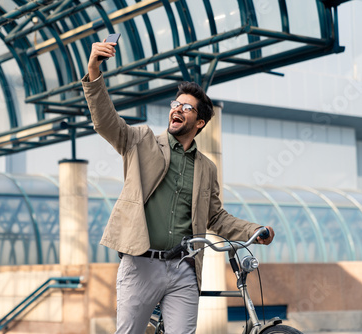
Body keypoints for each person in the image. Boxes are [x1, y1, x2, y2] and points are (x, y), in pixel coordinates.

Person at [82, 39, 275, 334]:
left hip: (185, 268)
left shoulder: (206, 168)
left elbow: (215, 218)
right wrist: (94, 69)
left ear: (199, 122)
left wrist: (252, 231)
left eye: (186, 107)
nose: (177, 109)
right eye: (176, 104)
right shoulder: (142, 141)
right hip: (141, 264)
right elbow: (107, 122)